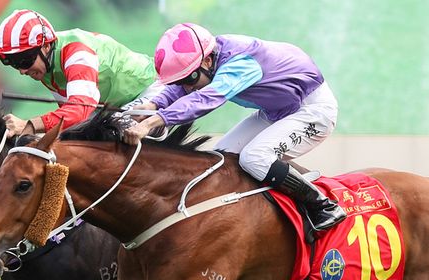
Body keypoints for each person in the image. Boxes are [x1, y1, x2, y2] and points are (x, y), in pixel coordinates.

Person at [123, 23, 346, 231]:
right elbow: (183, 88)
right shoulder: (208, 56)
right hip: (276, 111)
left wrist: (153, 121)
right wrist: (151, 105)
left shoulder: (240, 63)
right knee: (221, 160)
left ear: (208, 62)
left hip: (312, 111)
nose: (186, 87)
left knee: (253, 158)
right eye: (180, 81)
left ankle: (323, 206)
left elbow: (205, 99)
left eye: (189, 79)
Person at [0, 9, 163, 136]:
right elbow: (72, 120)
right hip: (112, 106)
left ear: (46, 46)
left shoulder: (77, 53)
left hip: (150, 91)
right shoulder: (44, 65)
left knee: (117, 137)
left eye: (24, 60)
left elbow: (78, 111)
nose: (22, 71)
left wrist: (28, 125)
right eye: (11, 63)